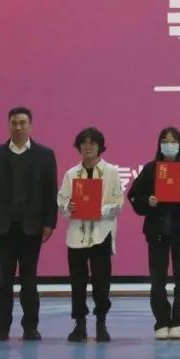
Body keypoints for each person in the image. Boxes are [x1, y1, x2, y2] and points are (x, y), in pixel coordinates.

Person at [0, 106, 58, 341]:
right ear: (9, 125)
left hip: (32, 228)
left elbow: (50, 191)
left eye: (23, 123)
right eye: (14, 123)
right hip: (4, 228)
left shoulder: (45, 155)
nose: (19, 127)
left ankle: (30, 327)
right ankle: (1, 327)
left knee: (29, 281)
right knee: (4, 281)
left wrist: (49, 223)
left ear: (30, 125)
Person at [127, 127, 180, 340]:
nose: (169, 145)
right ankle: (161, 320)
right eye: (165, 141)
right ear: (159, 145)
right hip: (157, 232)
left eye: (173, 141)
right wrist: (148, 201)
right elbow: (134, 194)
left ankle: (177, 320)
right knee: (157, 279)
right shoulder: (151, 169)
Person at [56, 127, 124, 342]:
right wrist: (69, 206)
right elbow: (61, 201)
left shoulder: (111, 172)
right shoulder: (71, 174)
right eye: (84, 143)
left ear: (100, 147)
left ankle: (101, 323)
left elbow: (118, 204)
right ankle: (80, 324)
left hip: (101, 234)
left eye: (92, 143)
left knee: (101, 283)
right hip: (76, 235)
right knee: (77, 283)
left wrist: (99, 209)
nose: (88, 147)